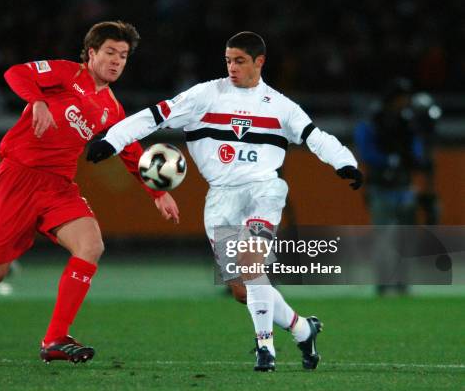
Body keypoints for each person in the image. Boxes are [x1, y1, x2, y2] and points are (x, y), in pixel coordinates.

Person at [87, 32, 363, 371]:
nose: (232, 67)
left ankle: (266, 349)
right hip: (221, 197)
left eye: (240, 61)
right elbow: (153, 116)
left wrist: (345, 162)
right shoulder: (205, 95)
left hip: (264, 190)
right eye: (228, 60)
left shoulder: (280, 106)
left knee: (251, 265)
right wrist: (112, 140)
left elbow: (315, 137)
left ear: (259, 62)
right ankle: (304, 328)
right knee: (241, 290)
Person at [0, 21, 180, 364]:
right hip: (18, 178)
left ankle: (55, 338)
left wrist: (157, 193)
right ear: (91, 53)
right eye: (110, 52)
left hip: (58, 186)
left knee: (91, 246)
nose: (117, 61)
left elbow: (130, 150)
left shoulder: (111, 108)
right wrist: (39, 101)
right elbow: (16, 73)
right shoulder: (64, 74)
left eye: (123, 55)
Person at [354, 78, 440, 295]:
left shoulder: (406, 121)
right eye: (402, 97)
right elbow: (365, 149)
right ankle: (384, 282)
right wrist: (390, 160)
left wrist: (414, 161)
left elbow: (416, 149)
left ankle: (401, 282)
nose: (405, 101)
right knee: (384, 237)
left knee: (404, 237)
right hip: (381, 186)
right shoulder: (376, 120)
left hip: (403, 186)